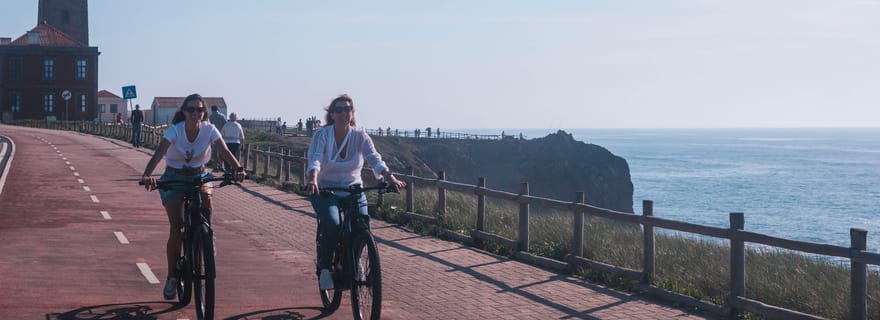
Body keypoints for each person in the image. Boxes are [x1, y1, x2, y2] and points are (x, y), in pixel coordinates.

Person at [139, 93, 246, 300]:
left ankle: (207, 236)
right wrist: (147, 174)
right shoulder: (175, 130)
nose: (195, 113)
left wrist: (239, 168)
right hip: (174, 177)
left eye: (199, 109)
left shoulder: (209, 129)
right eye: (191, 110)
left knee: (207, 203)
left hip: (199, 175)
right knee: (177, 227)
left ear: (204, 112)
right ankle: (171, 276)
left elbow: (224, 150)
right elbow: (160, 152)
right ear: (184, 112)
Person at [304, 94, 406, 290]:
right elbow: (315, 158)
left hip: (353, 189)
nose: (344, 113)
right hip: (325, 189)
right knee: (333, 224)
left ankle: (356, 259)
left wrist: (391, 178)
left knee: (363, 225)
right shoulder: (322, 135)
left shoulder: (360, 135)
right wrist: (313, 179)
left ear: (352, 113)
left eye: (348, 109)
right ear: (332, 114)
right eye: (339, 110)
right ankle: (325, 269)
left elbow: (374, 158)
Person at [209, 105, 227, 171]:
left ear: (212, 109)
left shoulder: (210, 117)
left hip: (213, 137)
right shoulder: (222, 116)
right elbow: (226, 125)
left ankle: (215, 166)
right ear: (218, 109)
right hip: (221, 136)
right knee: (222, 151)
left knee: (214, 152)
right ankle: (222, 165)